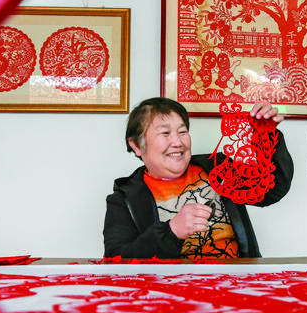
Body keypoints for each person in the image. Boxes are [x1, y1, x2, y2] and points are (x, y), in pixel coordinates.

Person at [103, 97, 293, 259]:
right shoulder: (124, 199)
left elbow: (272, 190)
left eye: (182, 131)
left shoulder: (217, 169)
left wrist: (266, 135)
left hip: (237, 282)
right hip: (172, 288)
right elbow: (116, 259)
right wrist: (171, 231)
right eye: (165, 133)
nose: (177, 142)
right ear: (136, 145)